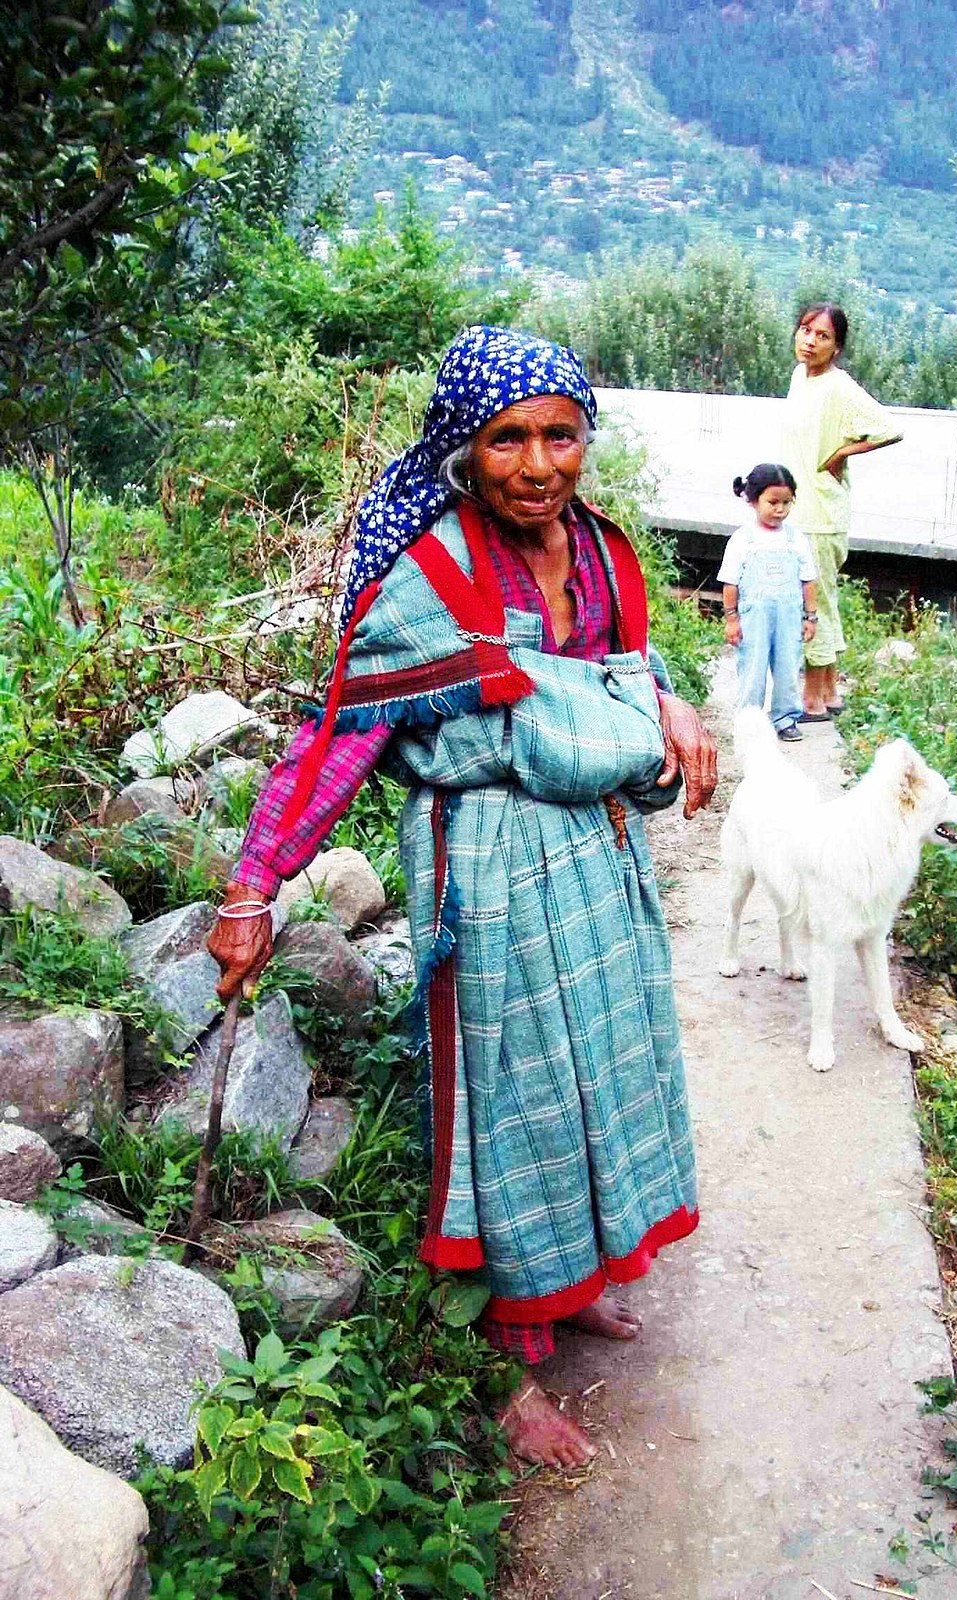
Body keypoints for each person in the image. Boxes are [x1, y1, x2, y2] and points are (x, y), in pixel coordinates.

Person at [207, 325, 716, 1471]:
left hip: (594, 851)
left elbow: (622, 662)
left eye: (559, 434)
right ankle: (500, 1357)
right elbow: (340, 733)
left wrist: (673, 704)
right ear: (464, 452)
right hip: (486, 861)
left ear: (587, 437)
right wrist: (254, 885)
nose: (538, 463)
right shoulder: (432, 574)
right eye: (507, 440)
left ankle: (570, 1277)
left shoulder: (596, 553)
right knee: (510, 1097)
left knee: (606, 1065)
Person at [780, 303, 902, 719]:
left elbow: (889, 429)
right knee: (822, 601)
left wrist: (842, 453)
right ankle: (829, 692)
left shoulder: (839, 387)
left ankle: (811, 699)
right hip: (799, 506)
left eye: (822, 336)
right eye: (805, 330)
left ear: (837, 347)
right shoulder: (800, 377)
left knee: (813, 603)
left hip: (821, 514)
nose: (810, 341)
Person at [717, 463, 818, 740]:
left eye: (787, 503)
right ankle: (749, 722)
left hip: (788, 616)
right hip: (754, 618)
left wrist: (810, 617)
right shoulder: (742, 539)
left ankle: (785, 719)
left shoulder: (796, 539)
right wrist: (732, 619)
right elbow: (730, 583)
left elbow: (808, 580)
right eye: (773, 502)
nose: (780, 509)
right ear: (753, 500)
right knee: (752, 669)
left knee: (788, 668)